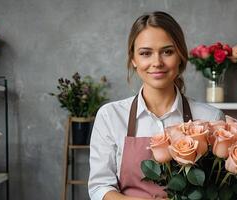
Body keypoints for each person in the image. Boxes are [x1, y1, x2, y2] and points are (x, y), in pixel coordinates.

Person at [88, 11, 224, 200]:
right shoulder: (111, 116)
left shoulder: (211, 118)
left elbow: (219, 190)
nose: (157, 62)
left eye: (167, 52)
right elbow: (99, 188)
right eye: (145, 53)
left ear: (180, 56)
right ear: (134, 59)